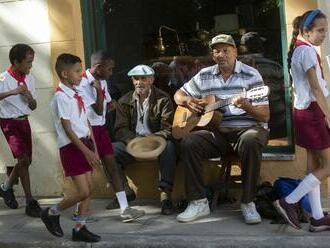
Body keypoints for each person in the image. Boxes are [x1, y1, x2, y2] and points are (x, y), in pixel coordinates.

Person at [174, 34, 270, 224]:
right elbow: (178, 95)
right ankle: (198, 202)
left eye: (225, 50)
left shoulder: (251, 75)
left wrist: (247, 106)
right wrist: (188, 101)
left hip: (247, 130)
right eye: (216, 51)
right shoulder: (205, 75)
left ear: (235, 52)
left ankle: (248, 202)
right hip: (218, 134)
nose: (221, 54)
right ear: (213, 55)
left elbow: (265, 115)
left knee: (250, 140)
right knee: (189, 142)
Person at [274, 9, 330, 232]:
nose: (324, 35)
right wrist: (329, 117)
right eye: (320, 30)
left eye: (326, 30)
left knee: (314, 167)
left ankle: (316, 218)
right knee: (327, 166)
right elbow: (316, 89)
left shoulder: (300, 49)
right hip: (313, 114)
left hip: (305, 113)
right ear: (306, 31)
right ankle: (288, 201)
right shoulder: (306, 52)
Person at [40, 53, 101, 242]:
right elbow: (67, 129)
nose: (81, 75)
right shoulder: (61, 98)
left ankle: (80, 228)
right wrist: (86, 151)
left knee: (89, 189)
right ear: (64, 74)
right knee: (83, 191)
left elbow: (86, 122)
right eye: (77, 71)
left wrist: (94, 147)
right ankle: (51, 212)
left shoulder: (76, 92)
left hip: (85, 143)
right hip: (71, 148)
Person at [78, 50, 145, 222]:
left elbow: (109, 106)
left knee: (112, 165)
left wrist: (103, 98)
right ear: (98, 67)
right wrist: (100, 95)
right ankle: (80, 210)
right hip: (87, 131)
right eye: (109, 69)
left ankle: (125, 209)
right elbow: (100, 109)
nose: (111, 73)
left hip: (101, 129)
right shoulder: (82, 83)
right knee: (86, 172)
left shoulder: (101, 81)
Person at [113, 64, 176, 215]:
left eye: (143, 79)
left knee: (169, 147)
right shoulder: (124, 101)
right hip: (134, 143)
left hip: (155, 142)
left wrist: (155, 137)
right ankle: (125, 192)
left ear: (151, 80)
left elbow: (169, 129)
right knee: (110, 150)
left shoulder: (163, 99)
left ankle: (165, 196)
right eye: (135, 79)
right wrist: (133, 140)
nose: (139, 82)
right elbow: (120, 129)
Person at [0, 44, 41, 217]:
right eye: (27, 62)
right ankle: (30, 201)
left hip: (24, 122)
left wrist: (29, 97)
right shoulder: (3, 78)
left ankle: (6, 188)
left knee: (26, 161)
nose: (30, 66)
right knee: (23, 159)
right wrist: (14, 91)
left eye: (32, 62)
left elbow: (33, 106)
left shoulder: (30, 79)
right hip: (9, 122)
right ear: (16, 62)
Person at [239, 32, 286, 139]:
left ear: (243, 48)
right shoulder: (275, 66)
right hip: (277, 121)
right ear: (261, 47)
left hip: (248, 126)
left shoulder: (235, 68)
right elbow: (285, 91)